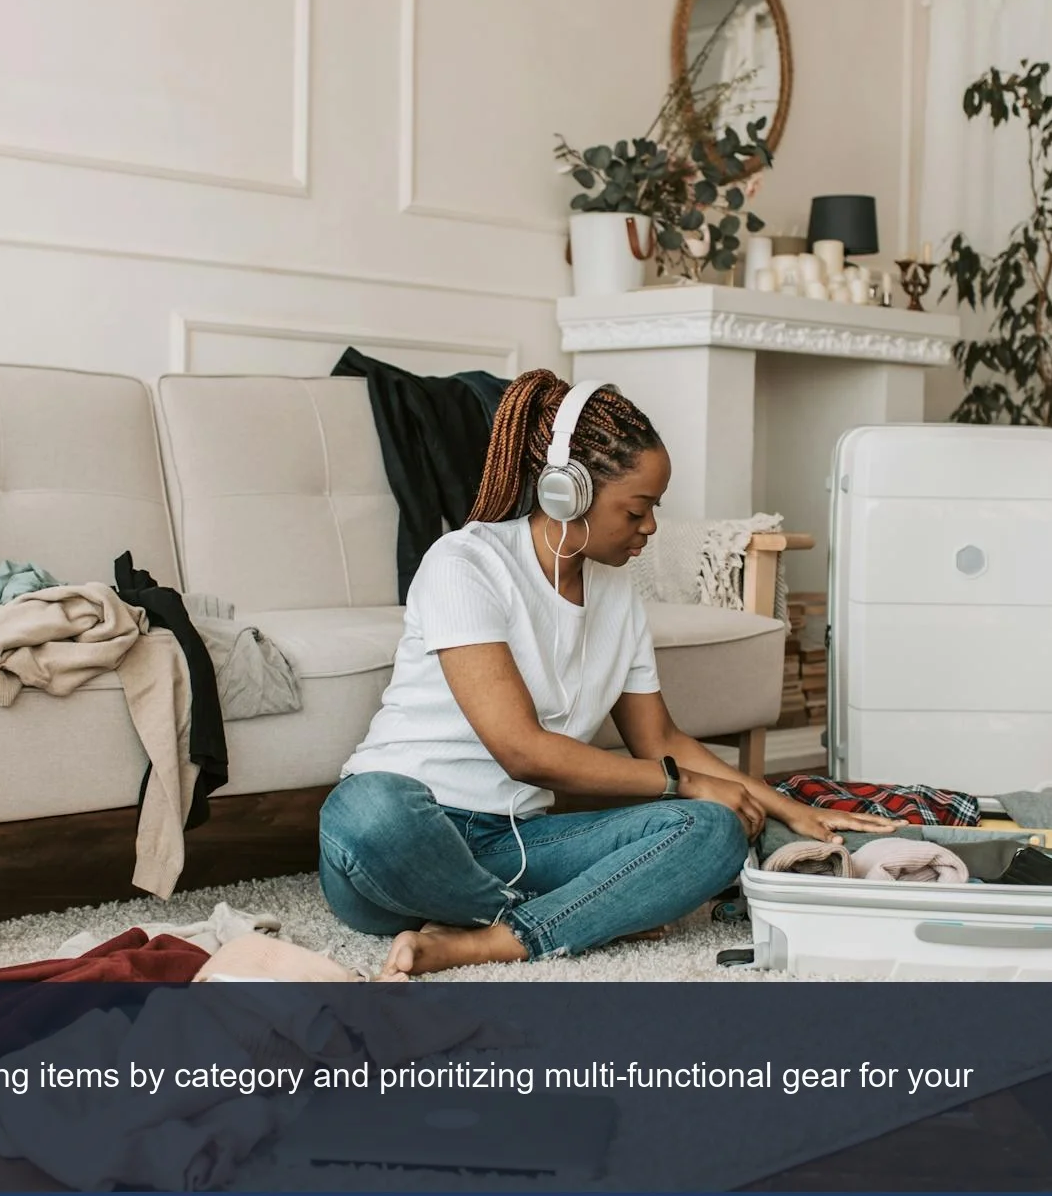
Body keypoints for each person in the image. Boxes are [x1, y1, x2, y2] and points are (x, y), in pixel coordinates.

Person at [318, 370, 896, 977]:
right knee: (367, 809)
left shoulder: (616, 592)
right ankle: (557, 918)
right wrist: (685, 783)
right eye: (638, 509)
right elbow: (524, 752)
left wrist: (778, 804)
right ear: (566, 493)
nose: (650, 527)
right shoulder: (465, 563)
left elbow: (662, 741)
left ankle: (486, 937)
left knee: (711, 832)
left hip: (518, 842)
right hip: (405, 838)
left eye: (655, 510)